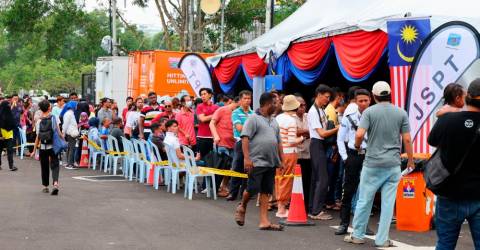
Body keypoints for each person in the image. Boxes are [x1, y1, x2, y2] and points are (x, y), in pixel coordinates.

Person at [345, 81, 414, 247]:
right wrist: (410, 161)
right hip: (393, 164)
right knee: (388, 202)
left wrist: (356, 146)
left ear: (374, 96)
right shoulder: (401, 113)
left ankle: (358, 235)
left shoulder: (369, 112)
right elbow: (407, 139)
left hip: (372, 163)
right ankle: (382, 240)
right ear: (389, 94)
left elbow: (360, 134)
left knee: (364, 199)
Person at [428, 79, 480, 250]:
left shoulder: (447, 119)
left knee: (444, 244)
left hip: (449, 194)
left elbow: (432, 141)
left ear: (468, 97)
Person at [234, 92, 284, 231]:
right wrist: (247, 158)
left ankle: (264, 221)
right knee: (252, 188)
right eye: (275, 102)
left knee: (266, 191)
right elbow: (245, 138)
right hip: (256, 161)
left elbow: (279, 142)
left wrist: (282, 160)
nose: (277, 105)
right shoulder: (253, 119)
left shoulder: (274, 121)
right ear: (268, 104)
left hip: (271, 162)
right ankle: (242, 206)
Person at [335, 89, 373, 236]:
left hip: (369, 156)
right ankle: (343, 224)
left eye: (366, 100)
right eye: (360, 100)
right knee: (348, 191)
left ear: (370, 100)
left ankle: (363, 225)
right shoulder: (348, 117)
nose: (363, 103)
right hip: (353, 155)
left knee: (366, 192)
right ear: (355, 102)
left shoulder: (374, 116)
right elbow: (340, 138)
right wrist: (345, 157)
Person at [307, 84, 338, 220]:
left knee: (316, 178)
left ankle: (312, 208)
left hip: (320, 145)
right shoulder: (313, 111)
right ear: (318, 95)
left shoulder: (321, 110)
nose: (327, 100)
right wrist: (338, 128)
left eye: (329, 97)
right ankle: (316, 211)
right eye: (326, 97)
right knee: (322, 179)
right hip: (317, 144)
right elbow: (322, 133)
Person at [275, 95, 304, 218]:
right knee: (287, 179)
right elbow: (292, 140)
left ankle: (279, 205)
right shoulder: (291, 120)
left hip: (278, 152)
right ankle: (282, 208)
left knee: (279, 178)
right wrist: (302, 138)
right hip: (289, 152)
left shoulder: (278, 118)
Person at [30, 100, 62, 195]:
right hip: (53, 146)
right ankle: (55, 183)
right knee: (55, 164)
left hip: (43, 147)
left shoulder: (39, 120)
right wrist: (63, 139)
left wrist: (34, 150)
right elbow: (59, 132)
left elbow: (38, 137)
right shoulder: (54, 117)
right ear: (49, 108)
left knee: (44, 167)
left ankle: (45, 186)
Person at [209, 96, 239, 197]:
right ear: (234, 102)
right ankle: (215, 188)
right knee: (221, 167)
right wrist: (216, 136)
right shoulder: (222, 110)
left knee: (230, 167)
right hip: (222, 143)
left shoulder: (240, 113)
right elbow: (212, 123)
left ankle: (224, 186)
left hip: (234, 143)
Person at [227, 90, 253, 201]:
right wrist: (252, 130)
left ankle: (246, 193)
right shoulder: (236, 113)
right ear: (240, 100)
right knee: (237, 167)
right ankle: (233, 193)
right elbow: (239, 128)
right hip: (240, 142)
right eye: (245, 98)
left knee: (249, 168)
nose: (247, 101)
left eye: (249, 98)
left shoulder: (253, 114)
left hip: (252, 143)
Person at [294, 94, 311, 211]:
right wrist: (306, 132)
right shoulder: (291, 117)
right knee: (295, 181)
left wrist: (303, 132)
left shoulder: (308, 116)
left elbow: (315, 130)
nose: (303, 107)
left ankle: (305, 205)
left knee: (307, 180)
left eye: (304, 105)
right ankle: (294, 204)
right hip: (296, 154)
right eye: (300, 105)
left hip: (308, 154)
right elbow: (294, 131)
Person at [196, 88, 219, 158]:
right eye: (201, 95)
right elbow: (203, 119)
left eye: (204, 94)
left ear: (210, 95)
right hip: (203, 137)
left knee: (214, 160)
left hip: (214, 137)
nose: (202, 96)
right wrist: (215, 115)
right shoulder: (200, 106)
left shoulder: (216, 107)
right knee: (203, 160)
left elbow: (218, 120)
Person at [0, 101, 17, 171]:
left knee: (8, 151)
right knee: (9, 151)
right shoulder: (7, 114)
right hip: (4, 135)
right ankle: (11, 166)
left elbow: (13, 124)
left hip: (6, 135)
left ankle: (11, 166)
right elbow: (14, 125)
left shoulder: (7, 114)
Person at [61, 101, 78, 169]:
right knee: (72, 148)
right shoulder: (69, 114)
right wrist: (63, 133)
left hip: (70, 132)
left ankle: (69, 163)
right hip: (71, 133)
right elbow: (65, 124)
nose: (76, 106)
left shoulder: (69, 113)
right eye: (76, 105)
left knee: (70, 148)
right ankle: (70, 164)